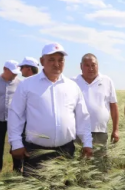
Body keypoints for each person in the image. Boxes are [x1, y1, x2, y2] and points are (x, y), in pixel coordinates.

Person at [8, 43, 93, 173]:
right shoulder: (27, 85)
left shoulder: (72, 86)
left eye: (60, 60)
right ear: (42, 61)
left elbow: (83, 117)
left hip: (66, 151)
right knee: (36, 185)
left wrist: (87, 143)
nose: (56, 64)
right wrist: (16, 143)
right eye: (51, 60)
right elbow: (15, 114)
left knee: (64, 186)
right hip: (36, 152)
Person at [74, 53, 119, 146]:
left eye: (93, 65)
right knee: (77, 155)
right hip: (78, 132)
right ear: (81, 66)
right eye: (87, 65)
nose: (90, 68)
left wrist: (115, 130)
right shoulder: (73, 82)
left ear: (97, 65)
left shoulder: (107, 81)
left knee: (100, 155)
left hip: (100, 132)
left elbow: (113, 107)